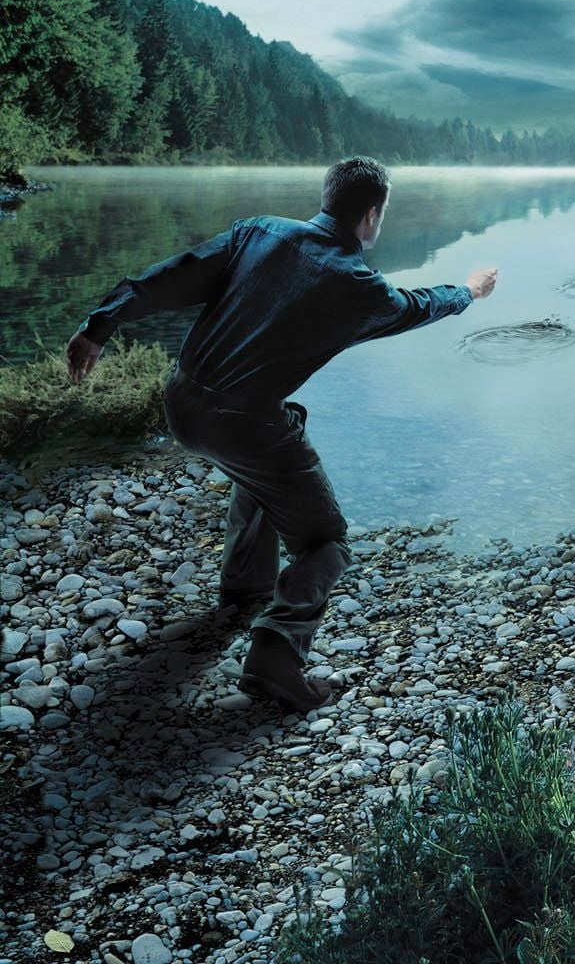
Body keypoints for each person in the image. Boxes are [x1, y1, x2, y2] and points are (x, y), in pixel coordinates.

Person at [64, 156, 498, 714]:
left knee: (281, 440)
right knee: (326, 542)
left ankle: (245, 588)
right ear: (371, 216)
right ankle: (276, 654)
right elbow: (417, 306)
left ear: (326, 198)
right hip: (242, 425)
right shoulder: (357, 285)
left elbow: (173, 276)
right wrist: (469, 291)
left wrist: (101, 324)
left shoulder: (259, 231)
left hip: (182, 401)